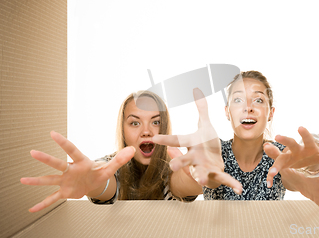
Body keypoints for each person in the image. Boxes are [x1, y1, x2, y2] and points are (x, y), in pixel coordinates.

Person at [154, 71, 319, 224]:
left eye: (258, 100)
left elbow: (290, 170)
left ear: (270, 113)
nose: (248, 107)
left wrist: (309, 172)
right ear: (227, 112)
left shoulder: (279, 154)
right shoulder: (212, 152)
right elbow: (181, 186)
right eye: (238, 100)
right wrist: (192, 175)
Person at [20, 90, 237, 212]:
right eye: (135, 123)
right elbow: (105, 182)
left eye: (155, 122)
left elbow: (180, 183)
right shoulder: (110, 164)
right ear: (123, 130)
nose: (145, 131)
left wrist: (201, 176)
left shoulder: (175, 164)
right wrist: (92, 183)